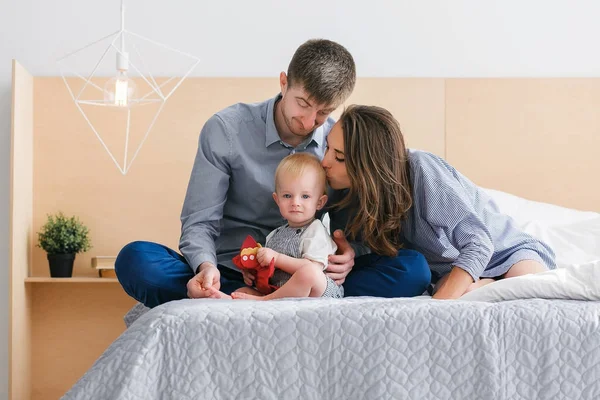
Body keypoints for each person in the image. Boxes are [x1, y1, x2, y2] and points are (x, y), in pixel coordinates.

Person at [115, 39, 357, 308]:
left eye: (323, 112)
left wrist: (350, 253)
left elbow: (349, 223)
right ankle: (231, 294)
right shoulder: (226, 130)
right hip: (228, 269)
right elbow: (199, 222)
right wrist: (205, 268)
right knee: (136, 259)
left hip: (305, 278)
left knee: (408, 270)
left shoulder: (338, 146)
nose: (309, 121)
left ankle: (232, 304)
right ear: (283, 82)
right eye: (302, 103)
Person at [322, 105, 556, 300]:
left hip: (505, 252)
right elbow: (373, 255)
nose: (325, 162)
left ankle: (487, 285)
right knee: (464, 293)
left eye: (339, 157)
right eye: (327, 149)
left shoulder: (422, 170)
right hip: (450, 268)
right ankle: (484, 285)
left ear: (370, 164)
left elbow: (479, 242)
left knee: (528, 289)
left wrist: (437, 308)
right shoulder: (343, 194)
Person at [209, 153, 343, 300]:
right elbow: (269, 270)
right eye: (287, 196)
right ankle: (229, 298)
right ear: (277, 199)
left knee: (309, 272)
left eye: (305, 196)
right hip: (280, 291)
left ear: (320, 202)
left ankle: (263, 301)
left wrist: (277, 258)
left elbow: (314, 268)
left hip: (320, 291)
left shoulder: (315, 230)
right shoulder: (275, 235)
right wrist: (253, 272)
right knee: (243, 289)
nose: (295, 202)